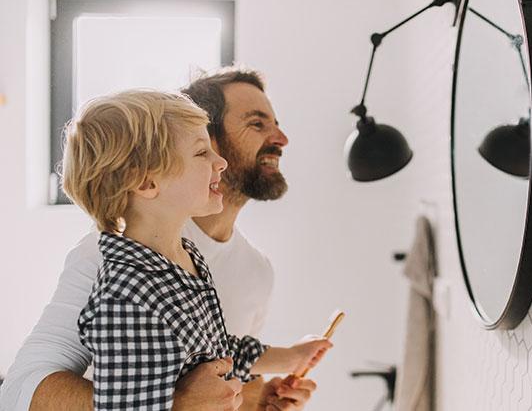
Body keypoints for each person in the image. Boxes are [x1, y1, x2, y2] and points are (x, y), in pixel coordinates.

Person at [0, 67, 320, 411]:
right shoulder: (115, 262)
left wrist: (260, 399)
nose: (281, 138)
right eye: (256, 124)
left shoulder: (246, 269)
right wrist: (175, 403)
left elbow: (212, 362)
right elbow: (18, 391)